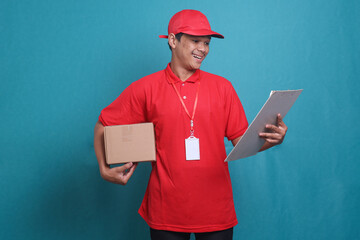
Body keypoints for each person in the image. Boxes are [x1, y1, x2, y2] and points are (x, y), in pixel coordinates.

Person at [94, 9, 287, 240]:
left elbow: (241, 143)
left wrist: (273, 140)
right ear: (173, 40)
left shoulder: (223, 88)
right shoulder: (145, 88)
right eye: (195, 40)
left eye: (206, 43)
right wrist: (104, 168)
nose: (203, 49)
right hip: (166, 210)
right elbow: (103, 125)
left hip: (216, 209)